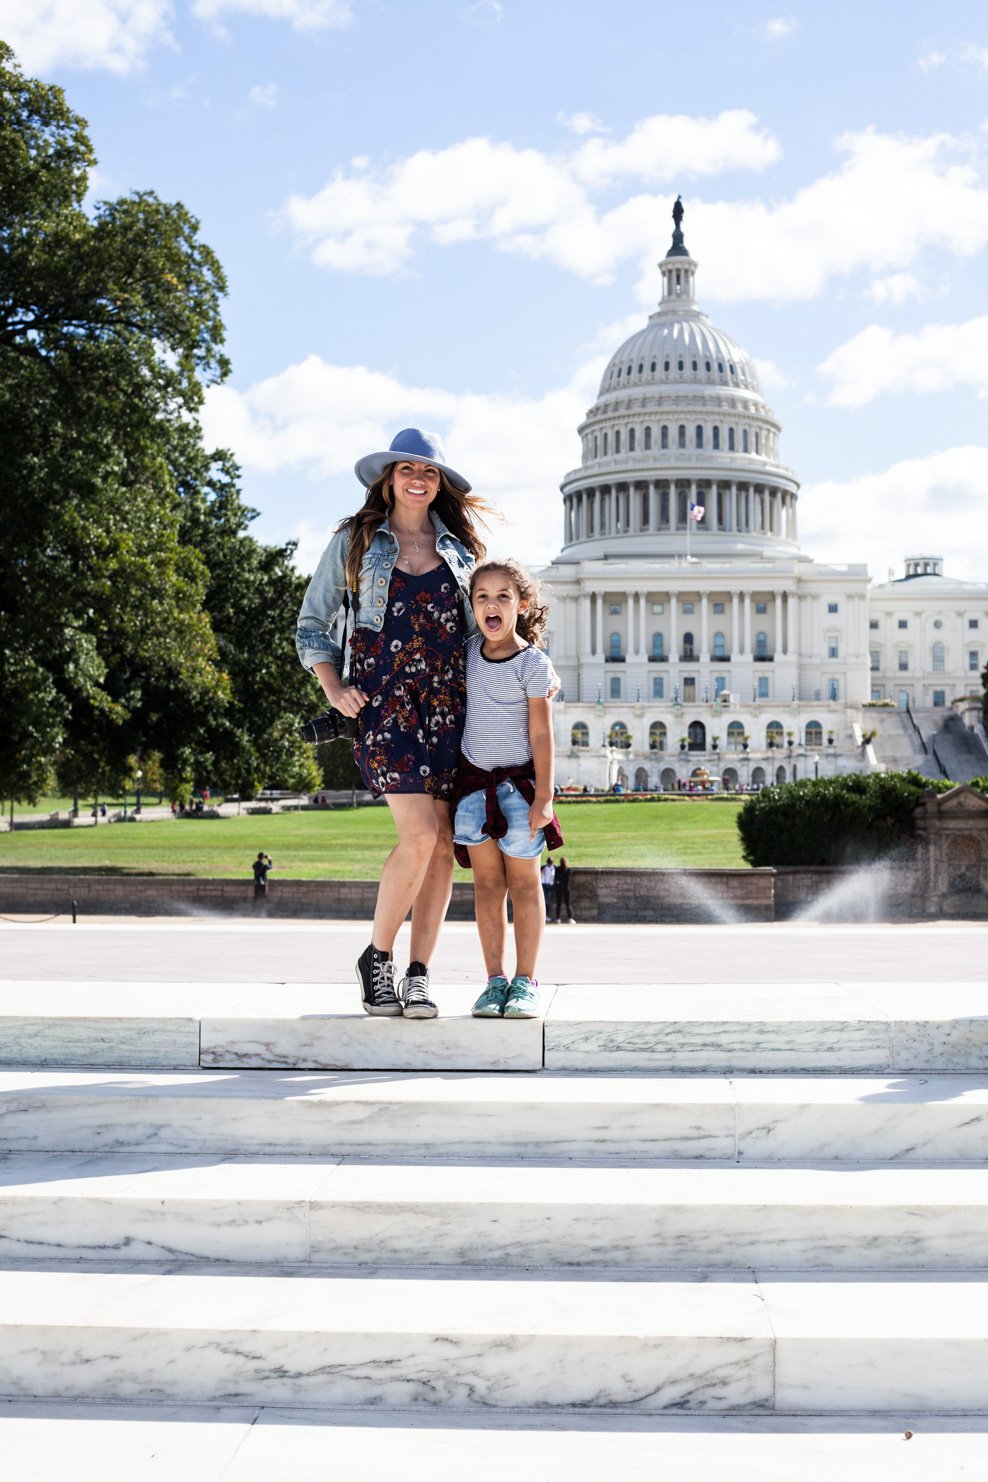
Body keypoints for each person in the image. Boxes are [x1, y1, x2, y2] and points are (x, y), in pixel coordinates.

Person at [296, 428, 493, 1019]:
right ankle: (376, 958)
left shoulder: (459, 548)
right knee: (419, 835)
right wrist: (335, 689)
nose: (418, 479)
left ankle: (418, 975)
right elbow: (312, 623)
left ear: (440, 485)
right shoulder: (356, 541)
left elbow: (486, 625)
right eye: (407, 469)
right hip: (384, 705)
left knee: (440, 850)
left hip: (450, 708)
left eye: (429, 472)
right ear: (388, 479)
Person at [451, 559, 562, 1020]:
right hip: (474, 790)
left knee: (525, 885)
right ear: (472, 606)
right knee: (486, 887)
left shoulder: (534, 664)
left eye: (503, 596)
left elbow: (541, 733)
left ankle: (526, 981)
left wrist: (545, 797)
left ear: (522, 604)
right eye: (482, 597)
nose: (491, 605)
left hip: (519, 791)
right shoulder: (467, 653)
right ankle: (494, 980)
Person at [552, 855, 575, 924]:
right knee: (568, 904)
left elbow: (556, 878)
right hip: (566, 888)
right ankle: (570, 918)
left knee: (558, 904)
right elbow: (568, 878)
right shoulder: (568, 870)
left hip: (559, 888)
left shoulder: (557, 869)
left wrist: (559, 881)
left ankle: (558, 918)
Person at [540, 857, 556, 923]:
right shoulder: (543, 867)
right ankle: (543, 916)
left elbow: (554, 876)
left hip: (550, 885)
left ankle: (547, 916)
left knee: (548, 902)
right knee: (543, 900)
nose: (549, 865)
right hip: (544, 884)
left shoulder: (554, 868)